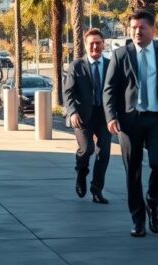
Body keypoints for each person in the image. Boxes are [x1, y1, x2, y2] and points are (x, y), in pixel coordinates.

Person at [103, 9, 158, 237]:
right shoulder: (121, 55)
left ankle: (152, 200)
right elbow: (109, 89)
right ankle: (138, 219)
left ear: (153, 29)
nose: (137, 31)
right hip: (129, 122)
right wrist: (111, 116)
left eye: (142, 27)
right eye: (133, 28)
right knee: (133, 172)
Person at [63, 28, 111, 204]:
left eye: (98, 43)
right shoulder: (77, 66)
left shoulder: (109, 65)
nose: (95, 46)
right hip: (82, 115)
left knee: (103, 153)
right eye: (91, 43)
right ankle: (81, 173)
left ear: (103, 44)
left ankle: (97, 190)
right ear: (86, 45)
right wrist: (72, 112)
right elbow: (68, 92)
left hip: (105, 116)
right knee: (87, 149)